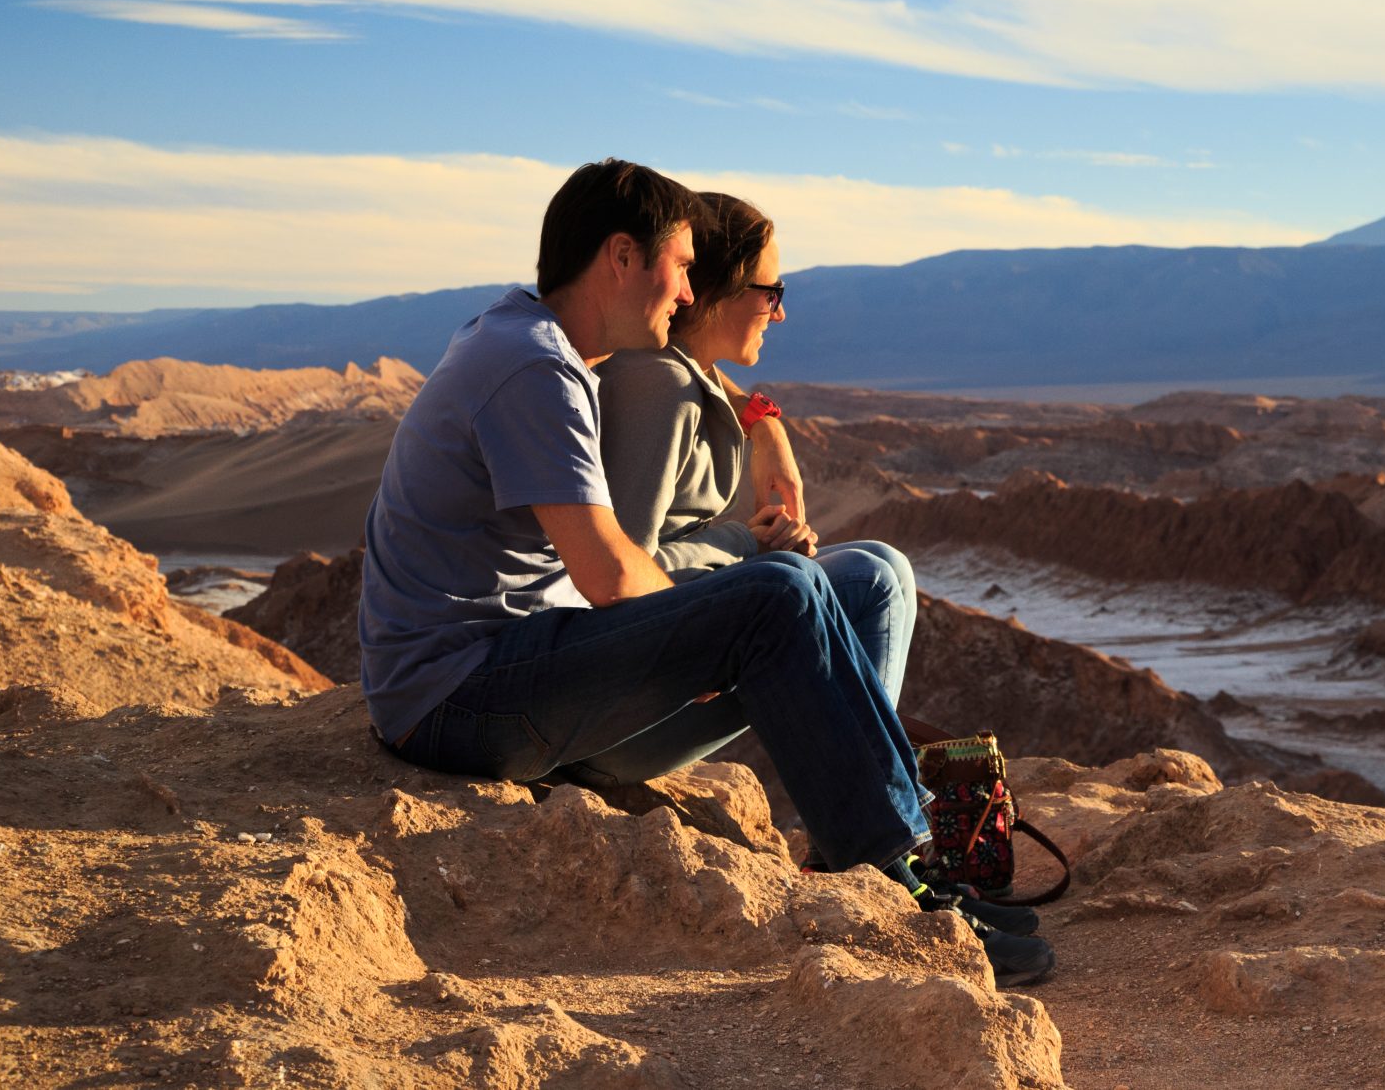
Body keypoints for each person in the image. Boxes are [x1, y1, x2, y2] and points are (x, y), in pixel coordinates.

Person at [355, 158, 1051, 985]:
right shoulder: (532, 366)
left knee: (852, 578)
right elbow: (611, 575)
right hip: (458, 699)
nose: (689, 294)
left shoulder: (532, 344)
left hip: (515, 676)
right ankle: (894, 883)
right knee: (781, 592)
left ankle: (887, 849)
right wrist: (726, 618)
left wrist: (760, 435)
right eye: (681, 267)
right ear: (621, 257)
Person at [595, 192, 919, 706]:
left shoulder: (684, 376)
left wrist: (763, 422)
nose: (780, 313)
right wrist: (748, 545)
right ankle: (875, 781)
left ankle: (878, 769)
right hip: (636, 692)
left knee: (887, 563)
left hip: (666, 656)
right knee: (871, 578)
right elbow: (624, 575)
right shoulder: (661, 389)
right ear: (717, 291)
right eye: (771, 291)